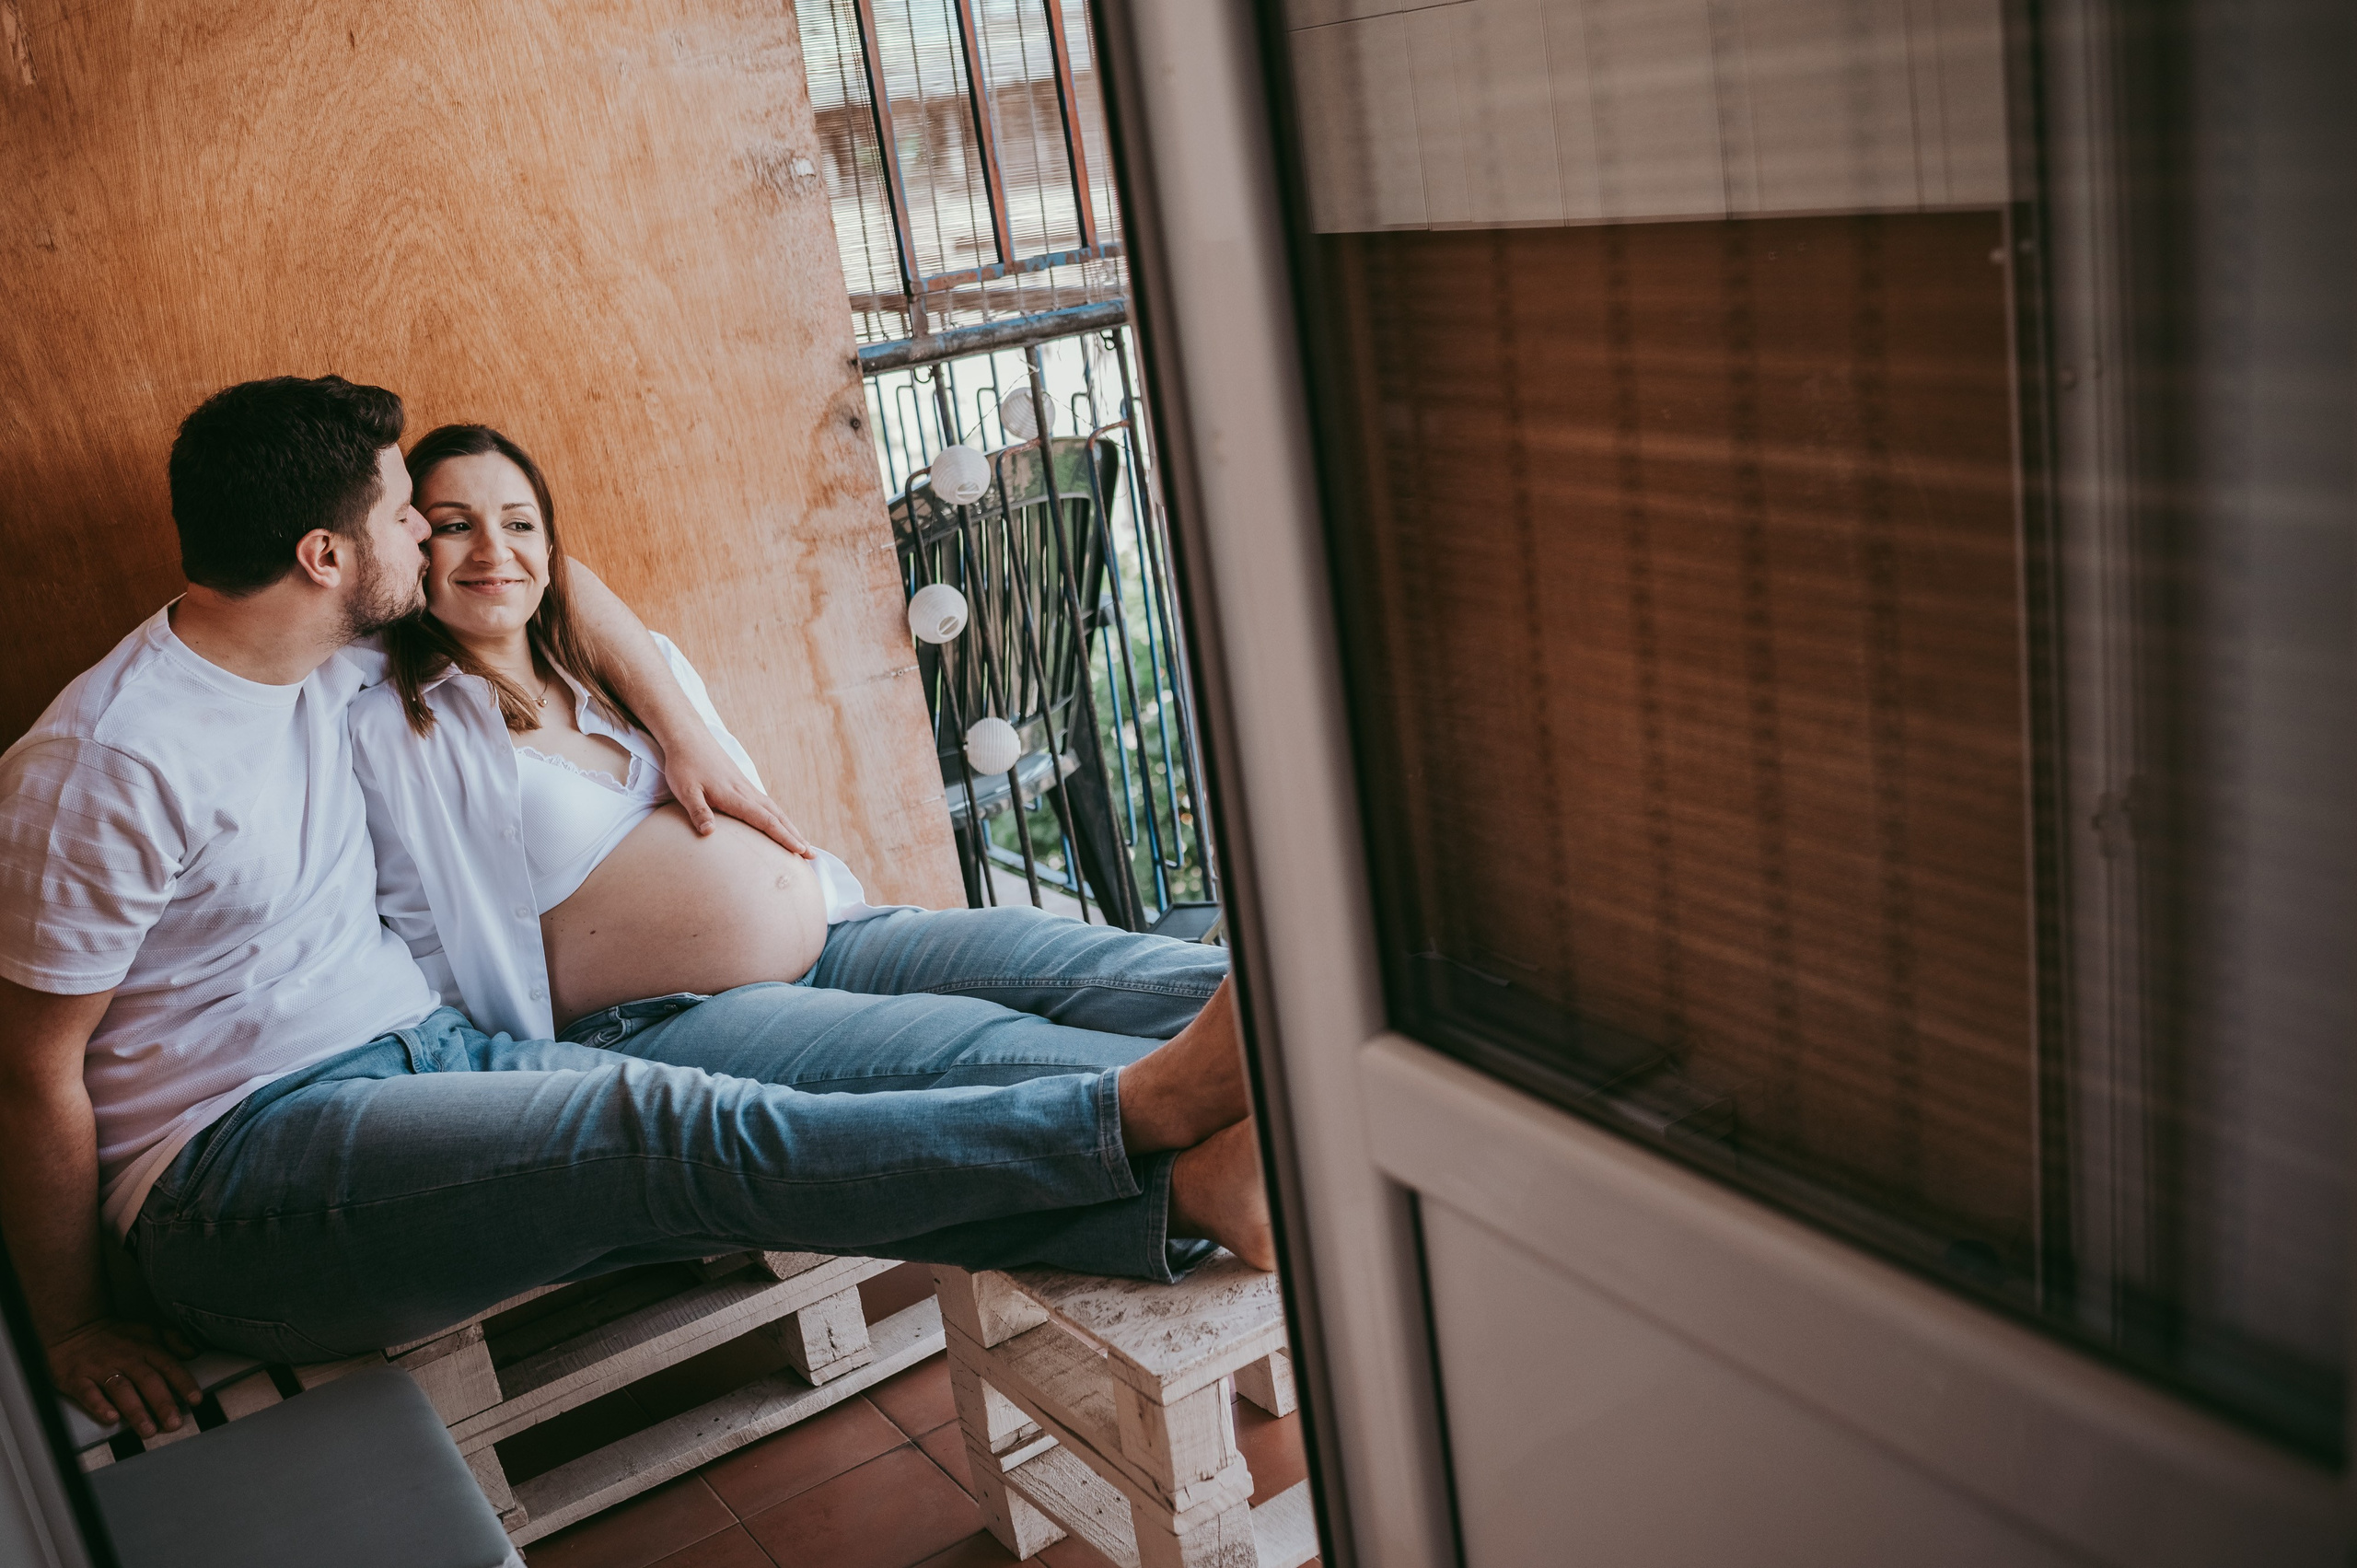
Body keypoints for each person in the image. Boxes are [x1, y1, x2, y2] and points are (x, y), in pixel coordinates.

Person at [0, 377, 1267, 1446]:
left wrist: (669, 723)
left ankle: (1200, 1170)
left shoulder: (303, 661)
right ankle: (1144, 1115)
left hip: (430, 1062)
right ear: (327, 556)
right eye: (409, 516)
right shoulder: (114, 760)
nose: (437, 543)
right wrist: (67, 1324)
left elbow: (556, 573)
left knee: (956, 1010)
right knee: (666, 1123)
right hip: (238, 1169)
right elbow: (29, 1075)